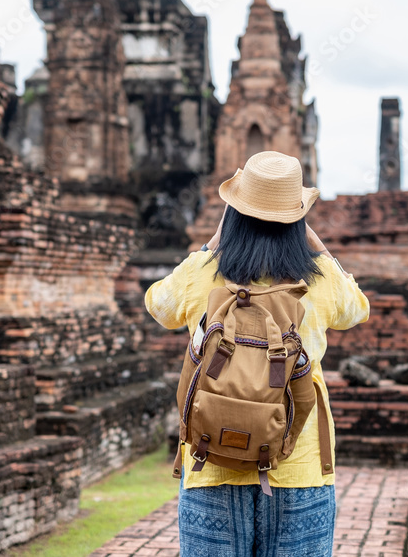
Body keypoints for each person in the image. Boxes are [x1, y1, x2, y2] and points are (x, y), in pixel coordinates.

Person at [144, 150, 370, 557]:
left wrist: (212, 244)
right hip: (299, 461)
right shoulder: (317, 282)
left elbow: (158, 305)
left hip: (211, 460)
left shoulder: (204, 275)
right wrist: (316, 244)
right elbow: (358, 308)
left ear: (233, 212)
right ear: (297, 220)